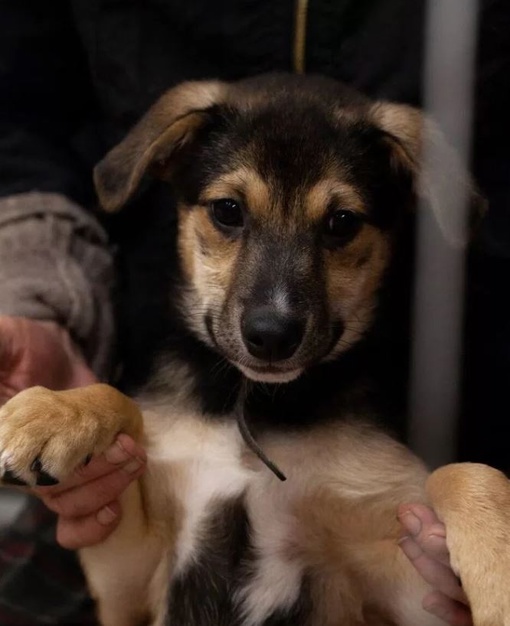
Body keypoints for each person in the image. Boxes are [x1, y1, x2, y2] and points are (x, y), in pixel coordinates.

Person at [0, 1, 508, 624]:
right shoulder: (142, 431)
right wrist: (79, 393)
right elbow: (20, 115)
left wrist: (481, 505)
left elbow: (425, 583)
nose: (274, 314)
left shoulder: (369, 446)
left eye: (340, 224)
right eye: (229, 214)